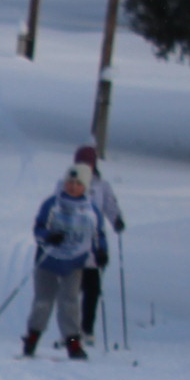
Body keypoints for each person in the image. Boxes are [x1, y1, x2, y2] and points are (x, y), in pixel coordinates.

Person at [24, 166, 101, 360]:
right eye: (70, 183)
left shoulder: (91, 209)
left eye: (78, 184)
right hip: (48, 261)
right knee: (43, 301)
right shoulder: (52, 204)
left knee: (70, 303)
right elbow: (38, 228)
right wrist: (49, 236)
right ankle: (32, 338)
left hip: (74, 263)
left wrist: (102, 252)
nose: (73, 187)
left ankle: (73, 344)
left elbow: (98, 235)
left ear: (85, 186)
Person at [70, 144, 125, 341]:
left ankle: (87, 330)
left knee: (92, 290)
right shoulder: (68, 183)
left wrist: (117, 219)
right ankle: (71, 330)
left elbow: (110, 205)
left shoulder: (102, 186)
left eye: (88, 163)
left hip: (95, 245)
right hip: (72, 244)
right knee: (71, 290)